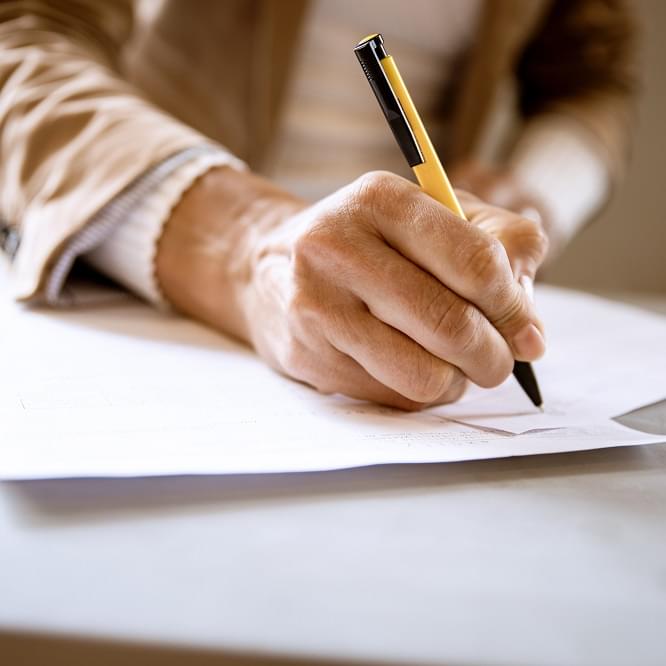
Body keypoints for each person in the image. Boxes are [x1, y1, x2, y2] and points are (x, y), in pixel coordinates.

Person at [0, 0, 635, 409]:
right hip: (156, 239)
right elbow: (21, 34)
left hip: (405, 271)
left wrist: (535, 190)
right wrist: (248, 244)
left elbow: (591, 77)